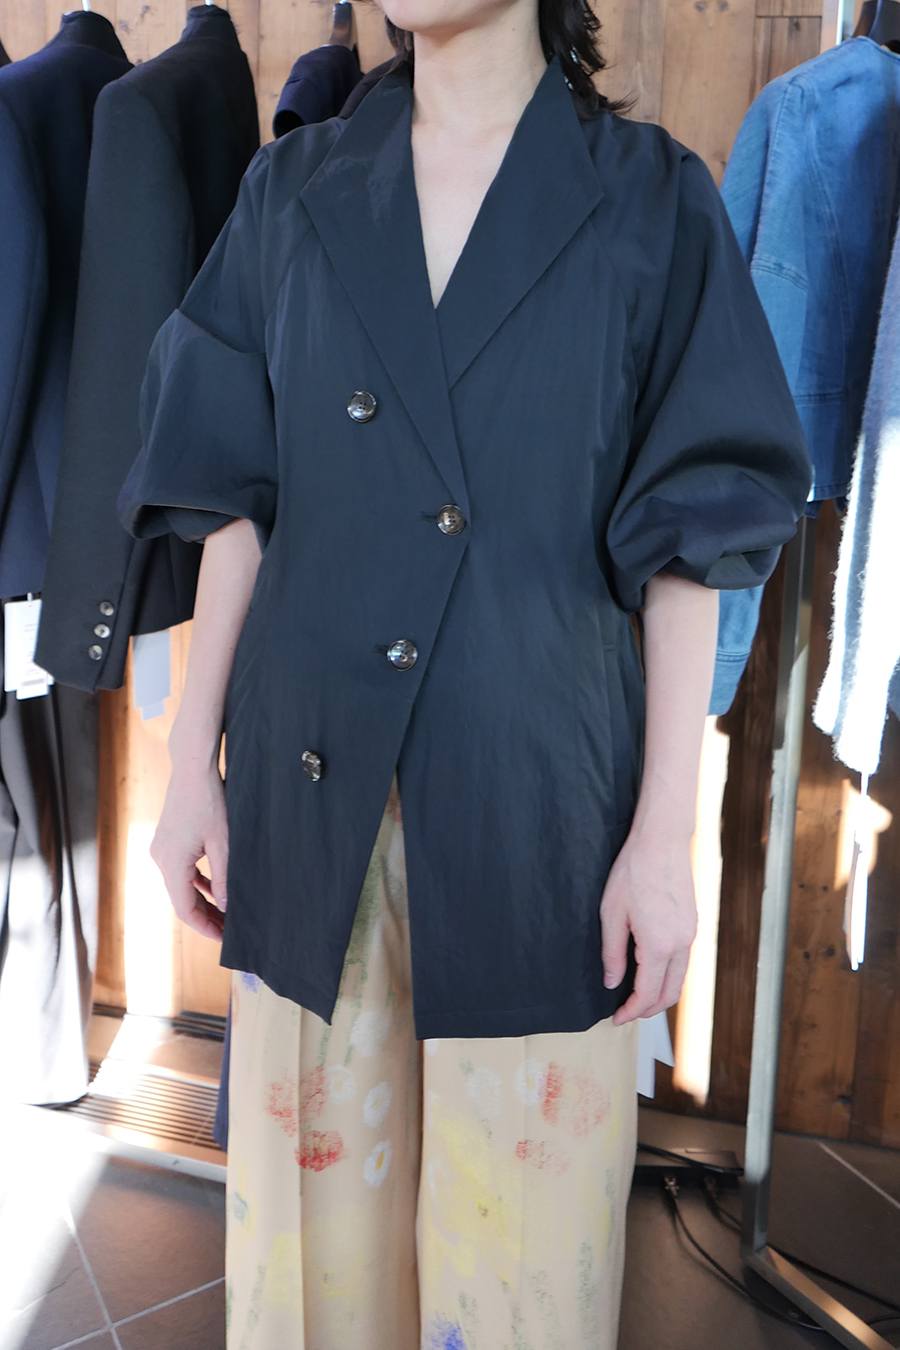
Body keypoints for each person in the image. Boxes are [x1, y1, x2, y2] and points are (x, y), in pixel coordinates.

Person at [118, 0, 811, 1338]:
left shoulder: (651, 202)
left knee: (520, 1266)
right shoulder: (294, 188)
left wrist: (664, 836)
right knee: (314, 1254)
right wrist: (188, 765)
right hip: (311, 791)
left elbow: (691, 541)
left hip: (540, 798)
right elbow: (237, 502)